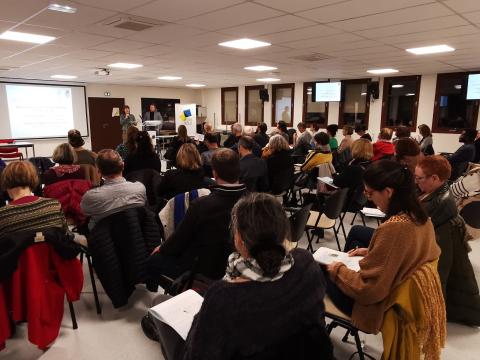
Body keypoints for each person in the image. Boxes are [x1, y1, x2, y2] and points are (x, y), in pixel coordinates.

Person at [153, 193, 333, 360]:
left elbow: (197, 355)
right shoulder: (306, 261)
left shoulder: (224, 296)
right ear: (283, 231)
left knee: (159, 304)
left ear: (238, 238)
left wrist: (198, 321)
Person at [325, 160, 441, 335]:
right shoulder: (420, 215)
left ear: (388, 192)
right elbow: (404, 253)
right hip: (393, 292)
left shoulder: (394, 229)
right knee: (354, 239)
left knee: (313, 271)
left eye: (370, 193)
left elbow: (369, 291)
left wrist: (338, 270)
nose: (368, 198)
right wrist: (372, 252)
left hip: (373, 307)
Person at [147, 148, 246, 281]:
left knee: (153, 261)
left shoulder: (201, 205)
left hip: (204, 269)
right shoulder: (255, 201)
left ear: (214, 173)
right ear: (239, 171)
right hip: (240, 265)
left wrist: (161, 248)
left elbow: (177, 242)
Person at [415, 156, 480, 326]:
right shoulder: (437, 192)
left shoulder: (440, 203)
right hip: (445, 238)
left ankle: (433, 314)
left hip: (443, 242)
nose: (416, 182)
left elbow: (439, 272)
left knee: (440, 276)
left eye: (419, 178)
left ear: (435, 178)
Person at [80, 149, 146, 229]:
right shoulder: (140, 188)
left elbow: (84, 213)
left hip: (103, 239)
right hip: (136, 236)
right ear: (123, 165)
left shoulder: (91, 197)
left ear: (99, 171)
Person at [0, 160, 67, 234]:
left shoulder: (3, 215)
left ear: (5, 182)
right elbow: (66, 234)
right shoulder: (54, 205)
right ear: (34, 180)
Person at [333, 139, 373, 211]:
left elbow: (337, 182)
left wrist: (333, 174)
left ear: (355, 149)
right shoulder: (371, 165)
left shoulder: (354, 168)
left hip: (348, 202)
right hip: (364, 202)